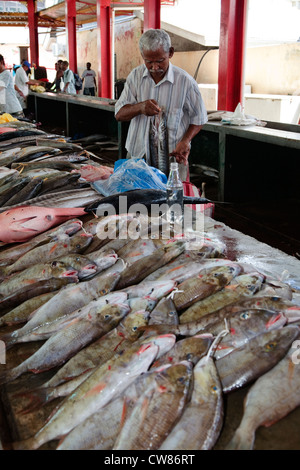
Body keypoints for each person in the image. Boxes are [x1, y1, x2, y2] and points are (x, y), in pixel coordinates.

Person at [115, 28, 207, 180]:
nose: (154, 67)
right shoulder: (135, 77)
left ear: (170, 53)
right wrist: (140, 107)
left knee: (172, 201)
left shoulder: (185, 82)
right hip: (138, 158)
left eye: (160, 61)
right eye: (148, 61)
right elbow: (119, 114)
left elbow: (199, 118)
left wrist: (185, 141)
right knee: (136, 201)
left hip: (173, 159)